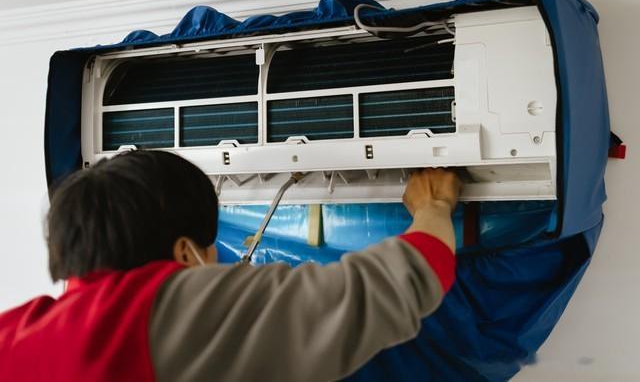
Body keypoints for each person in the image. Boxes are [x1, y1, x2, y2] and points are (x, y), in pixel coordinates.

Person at [0, 150, 461, 382]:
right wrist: (434, 206)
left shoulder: (11, 335)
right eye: (213, 250)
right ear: (186, 255)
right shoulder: (169, 311)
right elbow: (396, 282)